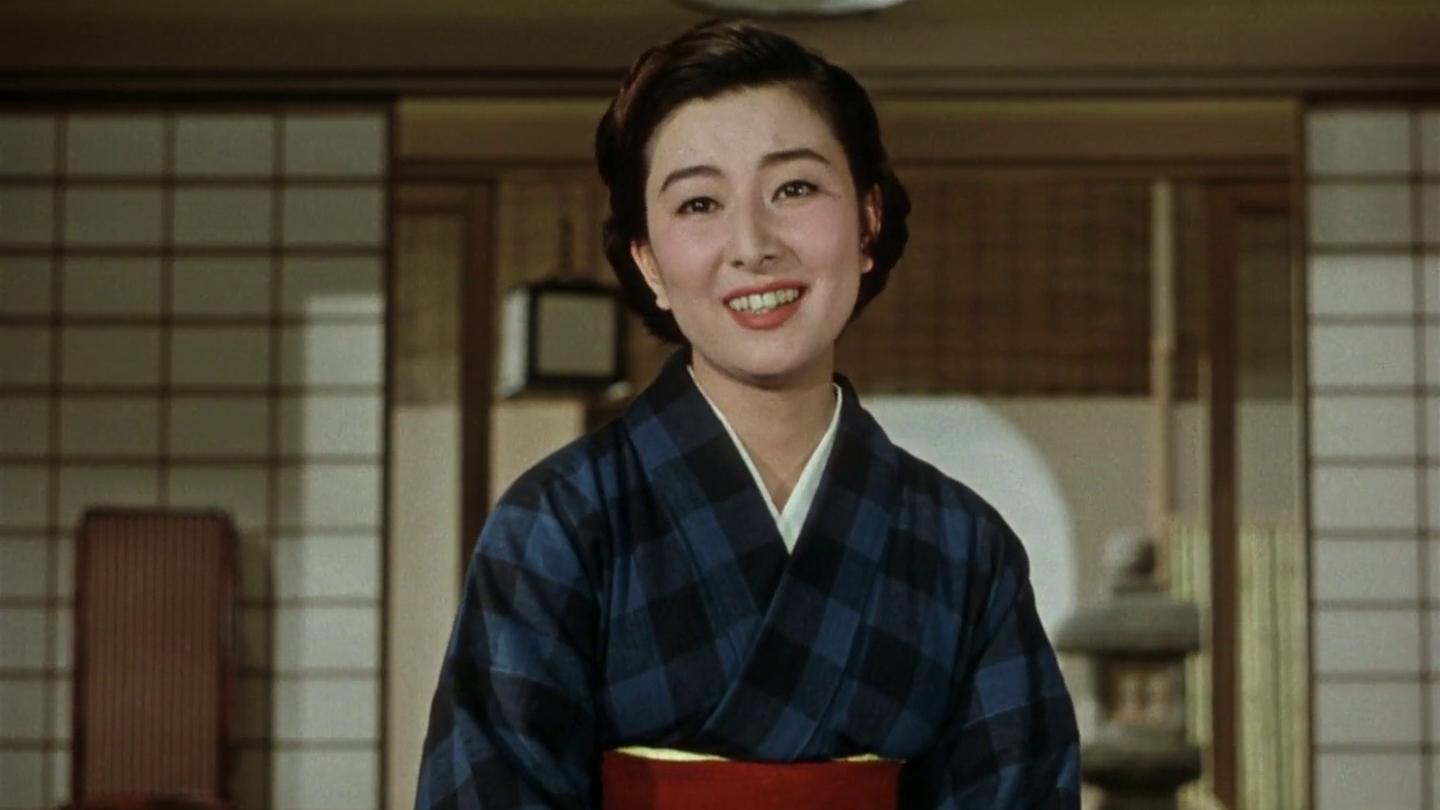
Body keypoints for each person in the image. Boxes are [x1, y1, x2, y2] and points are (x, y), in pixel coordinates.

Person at [415, 19, 1079, 810]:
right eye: (699, 203)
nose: (753, 244)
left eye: (794, 189)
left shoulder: (964, 548)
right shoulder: (559, 524)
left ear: (867, 220)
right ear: (648, 261)